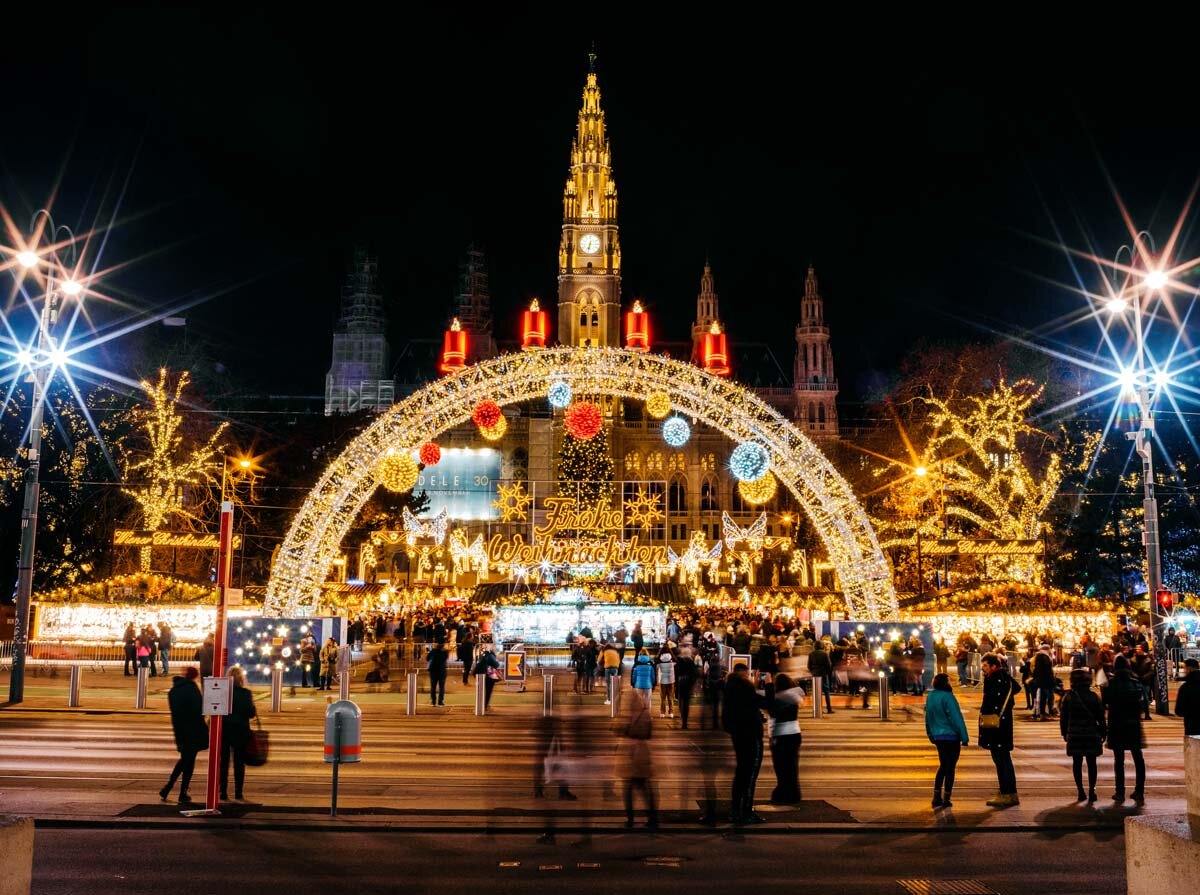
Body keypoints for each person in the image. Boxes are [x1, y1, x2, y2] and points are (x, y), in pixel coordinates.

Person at [723, 662, 773, 825]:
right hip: (751, 735)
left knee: (741, 773)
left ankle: (735, 810)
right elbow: (768, 703)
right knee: (750, 775)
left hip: (738, 735)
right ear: (745, 674)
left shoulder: (730, 687)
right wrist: (769, 685)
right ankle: (746, 811)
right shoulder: (745, 688)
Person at [160, 667, 208, 805]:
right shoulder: (193, 690)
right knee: (187, 760)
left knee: (187, 759)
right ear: (195, 677)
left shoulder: (174, 691)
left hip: (180, 729)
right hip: (193, 729)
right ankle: (172, 788)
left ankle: (178, 790)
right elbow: (200, 710)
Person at [979, 653, 1021, 808]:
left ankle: (1006, 793)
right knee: (1003, 759)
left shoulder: (994, 680)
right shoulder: (1004, 678)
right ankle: (1009, 792)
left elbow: (992, 702)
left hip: (997, 726)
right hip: (1003, 724)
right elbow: (1016, 687)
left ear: (993, 666)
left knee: (1001, 760)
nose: (982, 669)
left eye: (985, 665)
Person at [1104, 654, 1147, 805]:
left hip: (1117, 724)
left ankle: (1120, 792)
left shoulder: (1110, 684)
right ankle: (1139, 791)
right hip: (1133, 725)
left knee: (1119, 760)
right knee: (1138, 759)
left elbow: (1105, 703)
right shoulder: (1136, 683)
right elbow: (1143, 705)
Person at [1059, 662, 1105, 802]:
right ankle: (1092, 790)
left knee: (1077, 763)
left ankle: (1080, 791)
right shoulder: (1093, 696)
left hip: (1075, 733)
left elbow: (1063, 718)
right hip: (1091, 733)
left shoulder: (1068, 697)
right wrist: (1103, 733)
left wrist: (1064, 733)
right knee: (1092, 763)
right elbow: (1100, 717)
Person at [925, 673, 969, 808]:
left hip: (938, 737)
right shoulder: (948, 697)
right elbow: (956, 718)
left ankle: (936, 796)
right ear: (946, 683)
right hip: (951, 737)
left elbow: (928, 717)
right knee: (950, 768)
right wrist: (964, 737)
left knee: (943, 765)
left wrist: (931, 734)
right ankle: (946, 798)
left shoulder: (931, 697)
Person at [616, 689, 657, 829]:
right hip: (643, 754)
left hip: (631, 755)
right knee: (644, 787)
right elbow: (650, 733)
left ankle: (631, 819)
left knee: (628, 789)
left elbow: (621, 731)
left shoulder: (628, 715)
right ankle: (652, 818)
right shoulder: (646, 713)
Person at [220, 666, 256, 801]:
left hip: (225, 730)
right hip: (241, 731)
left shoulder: (223, 692)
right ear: (241, 679)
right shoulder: (246, 693)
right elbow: (251, 713)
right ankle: (238, 792)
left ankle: (223, 791)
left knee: (224, 763)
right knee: (239, 764)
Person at [768, 673, 804, 804]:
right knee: (791, 766)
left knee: (781, 767)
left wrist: (773, 737)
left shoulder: (779, 698)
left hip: (782, 735)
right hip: (795, 733)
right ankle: (793, 794)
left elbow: (774, 719)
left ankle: (783, 793)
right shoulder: (793, 696)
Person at [807, 638, 834, 714]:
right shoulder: (825, 653)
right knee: (826, 691)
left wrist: (813, 671)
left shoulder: (811, 654)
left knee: (817, 692)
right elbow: (829, 665)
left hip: (815, 675)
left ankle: (818, 709)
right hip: (824, 674)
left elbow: (809, 665)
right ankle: (829, 709)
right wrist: (827, 672)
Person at [1175, 658, 1200, 735]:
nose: (1184, 670)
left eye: (1184, 668)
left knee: (1193, 745)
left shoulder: (1185, 687)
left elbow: (1179, 711)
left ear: (1189, 669)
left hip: (1192, 725)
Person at [675, 648, 698, 729]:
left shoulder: (679, 662)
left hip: (681, 684)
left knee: (681, 701)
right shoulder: (691, 662)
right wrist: (692, 684)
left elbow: (676, 673)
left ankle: (682, 716)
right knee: (686, 703)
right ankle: (685, 721)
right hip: (688, 685)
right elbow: (695, 674)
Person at [656, 645, 676, 718]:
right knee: (671, 697)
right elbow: (676, 663)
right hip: (671, 680)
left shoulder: (659, 660)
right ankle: (671, 712)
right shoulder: (672, 660)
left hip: (662, 681)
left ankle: (662, 713)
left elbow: (656, 665)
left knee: (663, 698)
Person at [427, 640, 449, 706]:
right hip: (442, 671)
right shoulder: (445, 652)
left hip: (433, 671)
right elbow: (445, 659)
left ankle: (433, 701)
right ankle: (440, 701)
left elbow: (427, 658)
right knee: (441, 687)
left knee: (433, 687)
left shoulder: (433, 651)